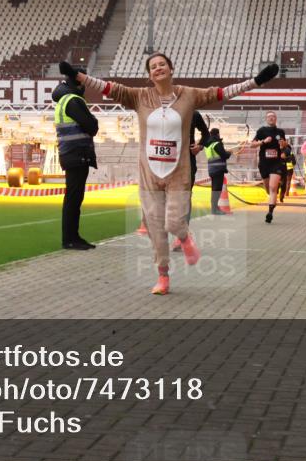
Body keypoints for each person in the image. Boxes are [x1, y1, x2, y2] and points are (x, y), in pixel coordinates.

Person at [60, 54, 279, 295]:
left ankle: (185, 238)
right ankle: (163, 276)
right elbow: (109, 87)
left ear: (171, 68)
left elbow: (221, 93)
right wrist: (78, 75)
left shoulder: (188, 94)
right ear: (149, 75)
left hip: (178, 172)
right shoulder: (139, 96)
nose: (157, 69)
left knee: (174, 222)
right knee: (155, 228)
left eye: (161, 64)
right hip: (149, 173)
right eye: (152, 67)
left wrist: (257, 81)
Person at [52, 69, 99, 251]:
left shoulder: (64, 100)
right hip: (77, 153)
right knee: (73, 198)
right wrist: (93, 119)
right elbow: (92, 126)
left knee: (74, 197)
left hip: (71, 153)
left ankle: (73, 237)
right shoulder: (73, 100)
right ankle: (70, 239)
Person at [172, 110, 209, 251]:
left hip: (187, 160)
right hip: (167, 162)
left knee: (185, 197)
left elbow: (206, 134)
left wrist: (199, 146)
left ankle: (181, 237)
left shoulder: (193, 113)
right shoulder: (163, 112)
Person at [251, 111, 286, 223]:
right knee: (268, 189)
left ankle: (270, 213)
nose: (271, 118)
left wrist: (283, 145)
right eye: (269, 117)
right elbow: (252, 145)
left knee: (272, 187)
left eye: (273, 117)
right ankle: (273, 195)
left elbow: (284, 146)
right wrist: (263, 141)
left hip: (276, 163)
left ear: (276, 119)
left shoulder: (280, 132)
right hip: (264, 163)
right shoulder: (262, 131)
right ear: (266, 119)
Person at [204, 127, 232, 215]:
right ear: (217, 134)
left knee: (214, 189)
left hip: (212, 169)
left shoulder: (207, 145)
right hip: (219, 169)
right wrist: (229, 153)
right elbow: (224, 155)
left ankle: (214, 208)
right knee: (217, 190)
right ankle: (215, 209)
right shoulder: (217, 143)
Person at [278, 138, 296, 202]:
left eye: (282, 141)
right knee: (279, 182)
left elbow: (292, 158)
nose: (281, 143)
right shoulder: (276, 149)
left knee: (285, 183)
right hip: (277, 169)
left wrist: (286, 158)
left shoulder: (288, 150)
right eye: (280, 142)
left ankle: (283, 195)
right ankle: (279, 194)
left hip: (286, 168)